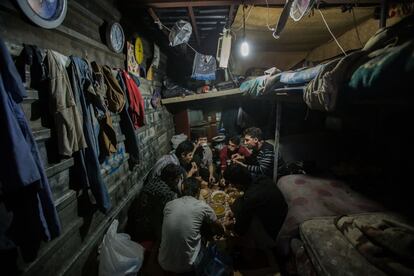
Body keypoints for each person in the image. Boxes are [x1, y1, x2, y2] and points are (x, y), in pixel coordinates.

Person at [158, 177, 224, 274]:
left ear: (182, 189)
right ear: (198, 191)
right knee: (208, 234)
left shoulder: (169, 204)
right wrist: (222, 233)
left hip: (164, 262)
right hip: (188, 266)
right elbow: (218, 225)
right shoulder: (202, 206)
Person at [223, 164, 288, 250]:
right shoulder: (262, 178)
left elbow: (240, 230)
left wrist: (229, 226)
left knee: (237, 236)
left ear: (237, 184)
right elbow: (243, 200)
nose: (231, 186)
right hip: (280, 216)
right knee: (240, 206)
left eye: (231, 184)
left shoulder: (251, 198)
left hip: (274, 232)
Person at [127, 163, 185, 242]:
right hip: (147, 228)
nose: (179, 181)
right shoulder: (168, 194)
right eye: (178, 179)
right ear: (171, 179)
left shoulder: (154, 180)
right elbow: (165, 218)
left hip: (138, 222)